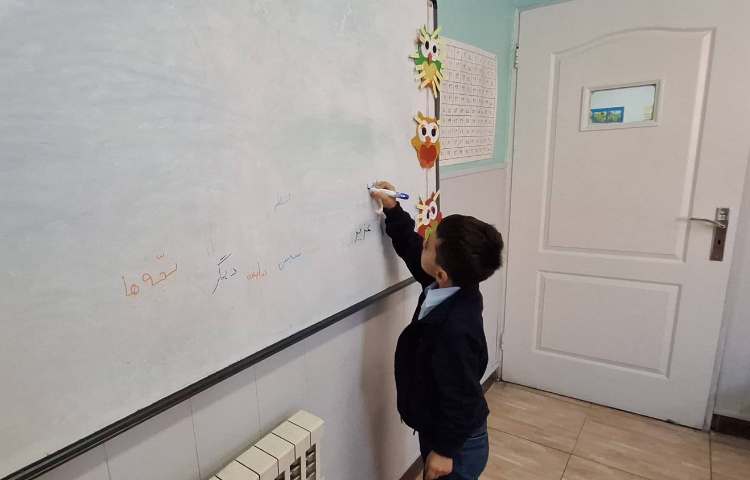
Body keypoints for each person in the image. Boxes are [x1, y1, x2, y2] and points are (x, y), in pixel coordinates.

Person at [370, 181, 504, 480]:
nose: (424, 239)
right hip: (441, 429)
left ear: (441, 273)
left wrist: (444, 451)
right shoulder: (451, 285)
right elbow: (411, 247)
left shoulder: (454, 330)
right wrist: (393, 211)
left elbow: (462, 398)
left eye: (428, 243)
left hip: (457, 444)